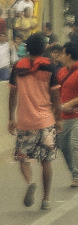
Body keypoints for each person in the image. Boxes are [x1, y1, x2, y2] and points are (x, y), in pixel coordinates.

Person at [9, 29, 58, 211]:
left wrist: (10, 118)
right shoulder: (50, 66)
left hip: (24, 121)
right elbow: (56, 96)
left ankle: (30, 181)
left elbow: (12, 94)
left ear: (27, 48)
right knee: (46, 162)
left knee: (24, 159)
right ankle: (45, 199)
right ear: (44, 47)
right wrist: (59, 119)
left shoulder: (18, 66)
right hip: (46, 121)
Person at [54, 33, 78, 190]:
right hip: (64, 115)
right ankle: (74, 171)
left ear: (69, 55)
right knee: (63, 144)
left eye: (63, 53)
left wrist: (71, 103)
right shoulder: (61, 72)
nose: (60, 56)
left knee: (75, 143)